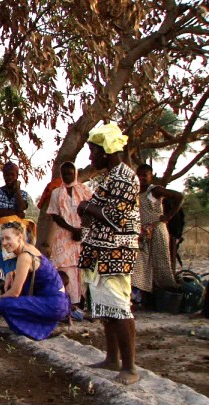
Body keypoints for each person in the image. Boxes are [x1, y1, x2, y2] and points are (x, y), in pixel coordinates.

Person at [77, 122, 141, 385]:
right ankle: (112, 358)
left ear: (106, 151)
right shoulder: (109, 178)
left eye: (93, 151)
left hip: (117, 251)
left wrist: (86, 207)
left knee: (119, 308)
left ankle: (130, 368)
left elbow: (112, 217)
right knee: (105, 306)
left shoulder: (126, 178)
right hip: (101, 250)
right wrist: (88, 209)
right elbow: (93, 213)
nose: (91, 157)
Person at [0, 222, 70, 340]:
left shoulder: (24, 256)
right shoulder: (30, 248)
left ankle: (36, 331)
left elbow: (15, 292)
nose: (4, 243)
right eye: (2, 239)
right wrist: (12, 273)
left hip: (54, 305)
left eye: (8, 238)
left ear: (20, 237)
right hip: (60, 302)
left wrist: (0, 297)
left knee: (4, 303)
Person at [131, 163, 184, 303]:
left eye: (145, 175)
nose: (141, 178)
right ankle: (142, 296)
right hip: (142, 232)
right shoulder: (135, 192)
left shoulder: (154, 191)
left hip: (157, 229)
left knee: (161, 263)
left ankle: (167, 293)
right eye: (139, 175)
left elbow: (179, 197)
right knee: (140, 264)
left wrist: (169, 216)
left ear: (151, 176)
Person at [47, 161, 93, 309]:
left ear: (75, 173)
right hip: (63, 235)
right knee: (65, 268)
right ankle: (70, 302)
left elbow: (92, 211)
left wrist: (81, 230)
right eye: (64, 174)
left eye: (70, 173)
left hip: (83, 234)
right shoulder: (56, 193)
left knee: (83, 268)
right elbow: (55, 215)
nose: (67, 176)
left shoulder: (85, 190)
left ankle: (84, 301)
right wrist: (72, 229)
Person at [0, 162, 30, 273]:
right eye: (6, 175)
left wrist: (17, 190)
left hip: (18, 233)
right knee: (0, 263)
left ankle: (18, 286)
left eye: (12, 175)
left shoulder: (23, 193)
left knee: (19, 261)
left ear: (17, 176)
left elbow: (21, 208)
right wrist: (14, 213)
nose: (9, 178)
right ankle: (4, 286)